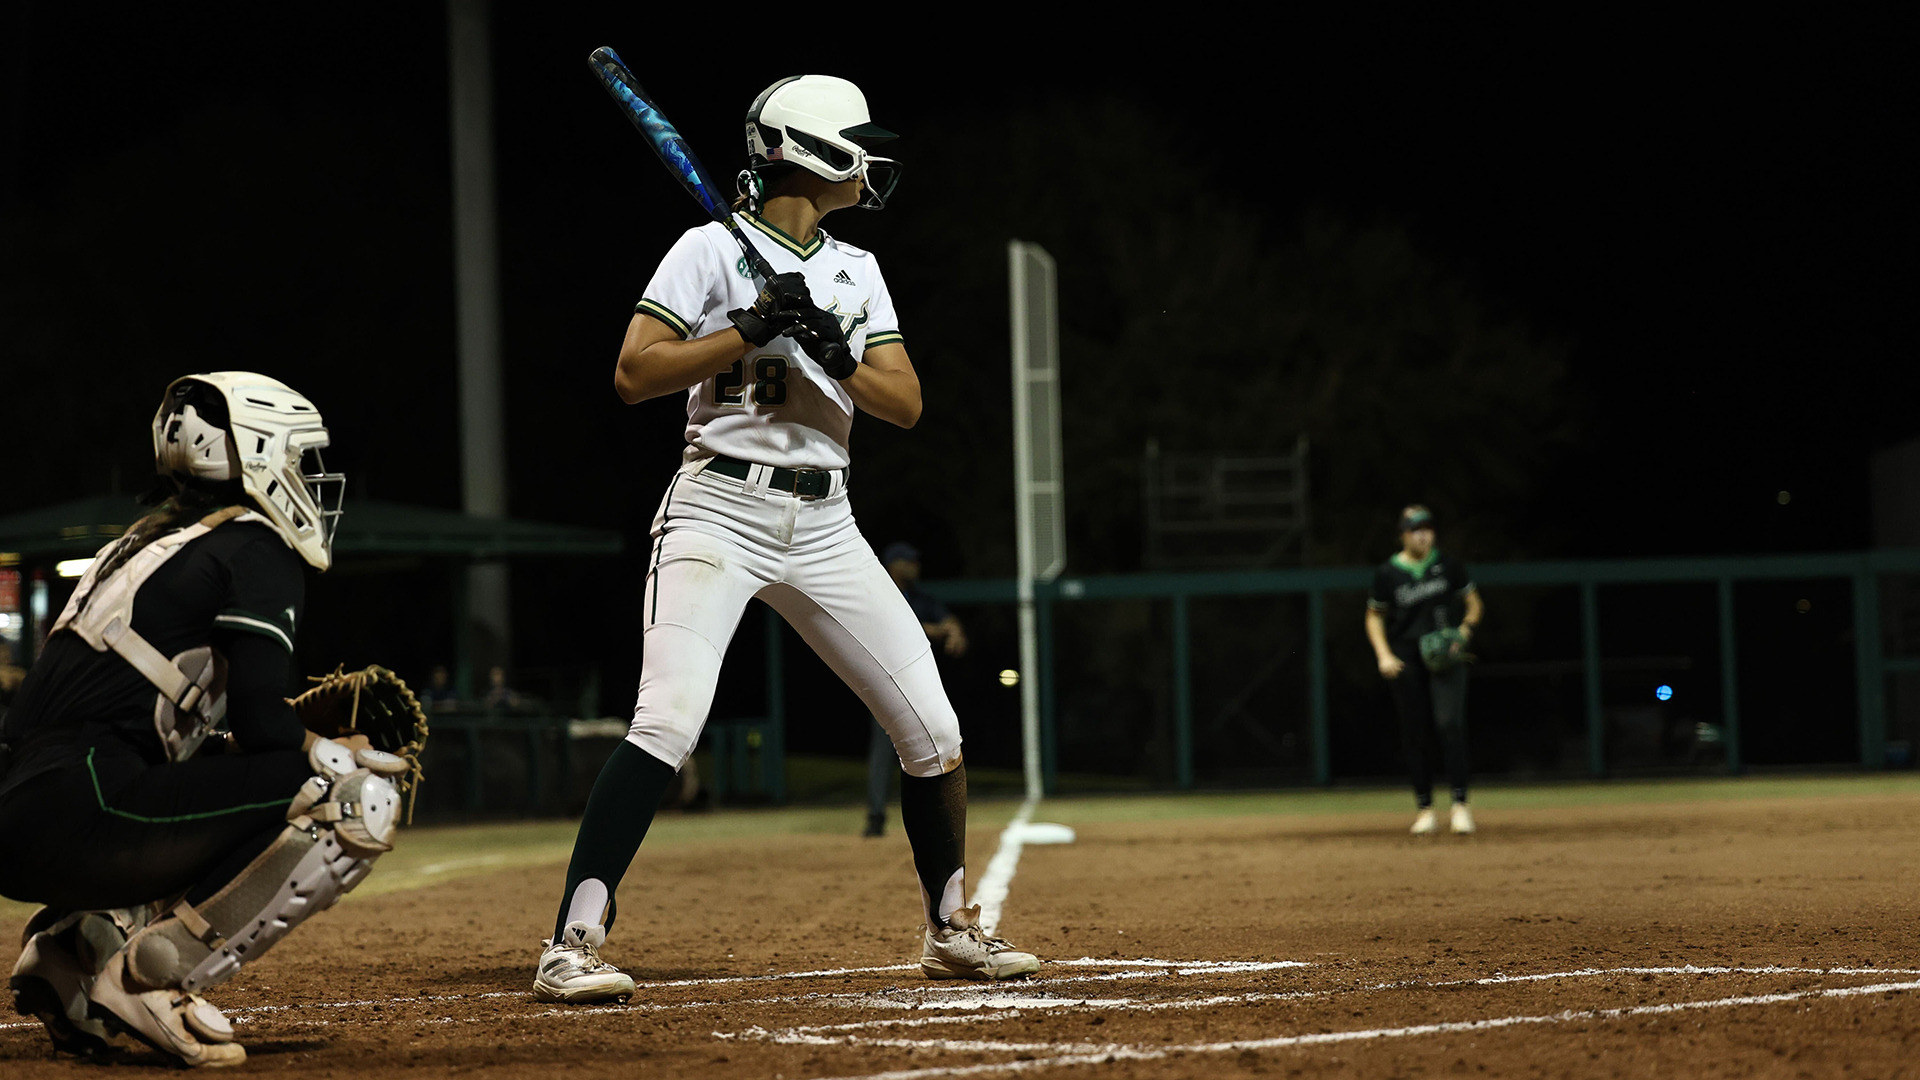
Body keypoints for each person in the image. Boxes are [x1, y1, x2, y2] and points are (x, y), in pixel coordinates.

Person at [535, 75, 1038, 1005]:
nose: (873, 158)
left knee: (933, 728)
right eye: (857, 142)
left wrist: (832, 346)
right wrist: (749, 328)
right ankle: (572, 940)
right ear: (812, 152)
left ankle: (949, 929)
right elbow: (635, 375)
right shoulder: (705, 250)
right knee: (669, 720)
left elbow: (907, 402)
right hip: (718, 509)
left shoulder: (858, 270)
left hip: (827, 520)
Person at [0, 373, 403, 1066]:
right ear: (255, 450)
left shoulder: (134, 545)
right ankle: (154, 977)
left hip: (24, 805)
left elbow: (140, 719)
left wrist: (265, 741)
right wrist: (328, 747)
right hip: (86, 809)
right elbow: (259, 722)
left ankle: (69, 951)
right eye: (298, 458)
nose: (307, 477)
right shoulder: (254, 546)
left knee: (181, 781)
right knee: (356, 797)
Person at [1365, 505, 1483, 836]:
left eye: (1428, 528)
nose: (1423, 534)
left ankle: (1460, 805)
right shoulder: (1388, 573)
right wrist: (1384, 654)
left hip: (1447, 655)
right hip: (1406, 655)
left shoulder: (1448, 566)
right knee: (1414, 732)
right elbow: (1374, 616)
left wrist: (1464, 631)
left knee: (1450, 725)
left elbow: (1474, 604)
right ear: (1403, 534)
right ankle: (1425, 809)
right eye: (1415, 529)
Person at [863, 540, 967, 837]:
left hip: (922, 690)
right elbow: (900, 627)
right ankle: (875, 817)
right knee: (882, 756)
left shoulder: (923, 599)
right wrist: (936, 630)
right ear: (892, 566)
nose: (915, 566)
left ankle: (937, 818)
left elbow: (947, 619)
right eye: (908, 561)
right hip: (887, 688)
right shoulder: (878, 594)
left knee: (937, 748)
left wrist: (954, 629)